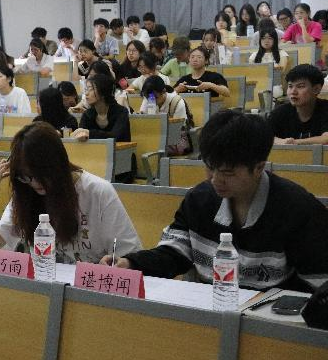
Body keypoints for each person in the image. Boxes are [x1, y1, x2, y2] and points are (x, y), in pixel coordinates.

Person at [102, 110, 328, 293]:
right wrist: (131, 263)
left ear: (259, 167)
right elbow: (175, 253)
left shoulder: (298, 209)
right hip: (210, 313)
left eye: (228, 172)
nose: (215, 179)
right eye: (210, 167)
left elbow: (318, 286)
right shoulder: (199, 199)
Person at [0, 122, 142, 262]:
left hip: (91, 284)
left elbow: (130, 256)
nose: (35, 183)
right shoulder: (26, 192)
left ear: (57, 165)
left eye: (40, 174)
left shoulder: (97, 191)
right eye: (26, 176)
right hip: (46, 283)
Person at [269, 64, 328, 145]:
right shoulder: (280, 112)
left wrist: (294, 143)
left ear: (316, 89)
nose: (293, 92)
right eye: (290, 86)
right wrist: (279, 141)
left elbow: (326, 139)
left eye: (300, 86)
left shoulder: (325, 109)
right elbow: (263, 136)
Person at [140, 76, 193, 155]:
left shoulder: (177, 101)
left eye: (155, 97)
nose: (152, 101)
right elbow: (142, 120)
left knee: (151, 149)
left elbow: (177, 130)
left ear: (163, 91)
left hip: (174, 139)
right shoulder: (148, 97)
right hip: (154, 136)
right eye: (148, 97)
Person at [72, 74, 131, 143]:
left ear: (103, 92)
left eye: (91, 89)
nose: (86, 94)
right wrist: (78, 134)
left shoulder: (121, 112)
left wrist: (89, 133)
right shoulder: (87, 114)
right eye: (86, 89)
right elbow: (81, 133)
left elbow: (115, 136)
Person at [250, 18, 289, 98]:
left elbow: (280, 73)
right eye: (263, 38)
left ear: (275, 40)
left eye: (270, 38)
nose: (266, 41)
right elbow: (252, 74)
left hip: (275, 86)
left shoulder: (282, 54)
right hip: (258, 86)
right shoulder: (254, 56)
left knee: (274, 91)